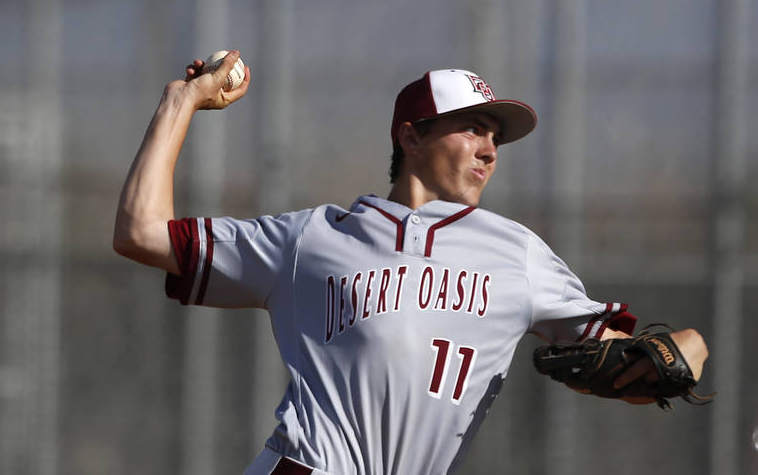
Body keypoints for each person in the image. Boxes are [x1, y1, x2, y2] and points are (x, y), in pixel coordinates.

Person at [112, 53, 709, 475]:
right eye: (472, 128)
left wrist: (687, 349)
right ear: (410, 137)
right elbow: (142, 233)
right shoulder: (312, 239)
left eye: (496, 137)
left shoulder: (517, 253)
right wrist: (180, 101)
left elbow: (629, 371)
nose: (489, 149)